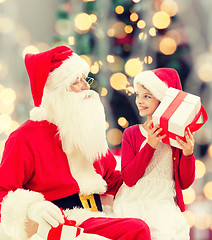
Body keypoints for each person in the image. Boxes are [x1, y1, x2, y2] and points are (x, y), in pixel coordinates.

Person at [0, 45, 151, 240]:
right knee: (136, 229)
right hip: (63, 222)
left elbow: (111, 178)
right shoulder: (24, 137)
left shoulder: (86, 129)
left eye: (84, 79)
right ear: (55, 90)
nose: (86, 87)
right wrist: (33, 207)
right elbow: (3, 191)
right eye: (75, 82)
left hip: (98, 215)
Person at [113, 68, 196, 240]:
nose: (139, 101)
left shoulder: (177, 138)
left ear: (163, 101)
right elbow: (129, 178)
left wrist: (188, 154)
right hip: (134, 199)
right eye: (138, 95)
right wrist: (150, 145)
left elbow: (185, 182)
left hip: (164, 201)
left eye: (147, 96)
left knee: (170, 232)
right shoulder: (132, 133)